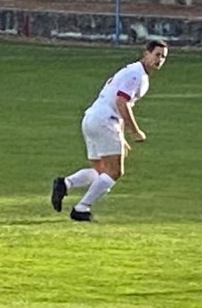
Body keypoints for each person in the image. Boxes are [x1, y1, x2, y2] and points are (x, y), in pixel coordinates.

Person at [51, 40, 168, 222]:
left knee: (101, 171)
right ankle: (82, 208)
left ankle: (65, 183)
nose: (159, 60)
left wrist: (121, 136)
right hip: (105, 121)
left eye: (163, 57)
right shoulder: (136, 75)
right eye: (157, 55)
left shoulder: (132, 71)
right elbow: (121, 102)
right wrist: (134, 131)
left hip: (91, 118)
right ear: (146, 53)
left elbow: (118, 101)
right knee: (114, 172)